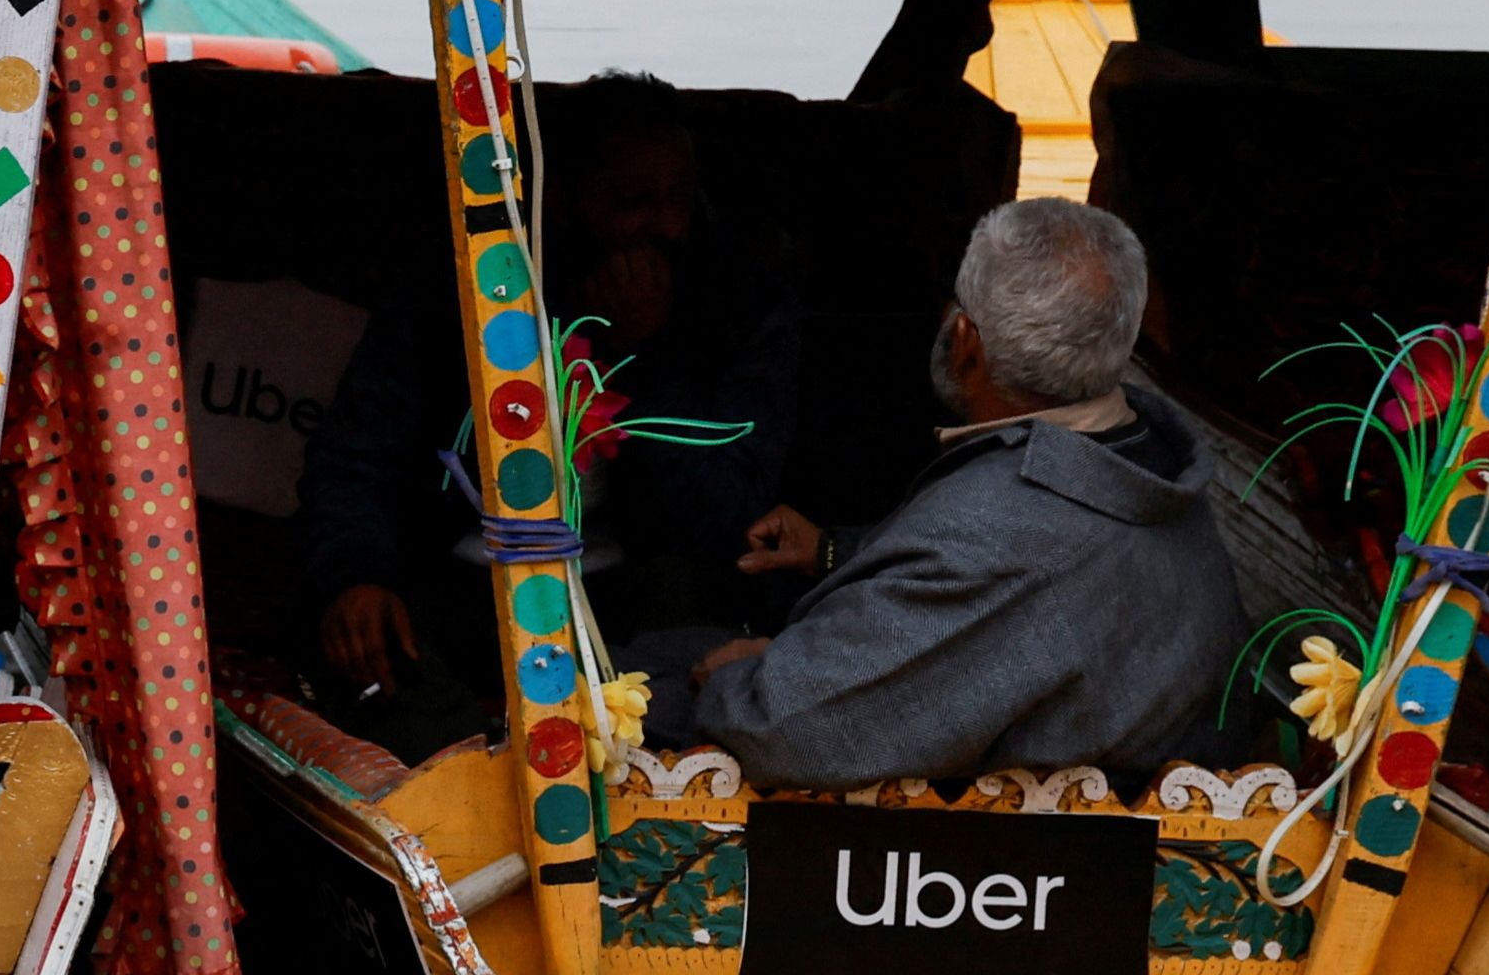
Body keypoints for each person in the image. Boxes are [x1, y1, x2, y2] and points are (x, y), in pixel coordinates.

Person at [653, 195, 1242, 788]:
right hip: (1110, 803)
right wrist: (838, 551)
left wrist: (733, 682)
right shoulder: (1150, 451)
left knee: (653, 671)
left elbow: (783, 731)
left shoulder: (998, 526)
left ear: (964, 340)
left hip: (1010, 842)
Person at [299, 76, 803, 748]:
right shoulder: (463, 283)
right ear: (563, 198)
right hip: (466, 582)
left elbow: (724, 517)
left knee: (711, 666)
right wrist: (356, 575)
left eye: (678, 199)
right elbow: (360, 450)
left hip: (641, 596)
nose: (663, 225)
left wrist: (643, 356)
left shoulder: (735, 303)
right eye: (632, 201)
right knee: (376, 665)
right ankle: (484, 768)